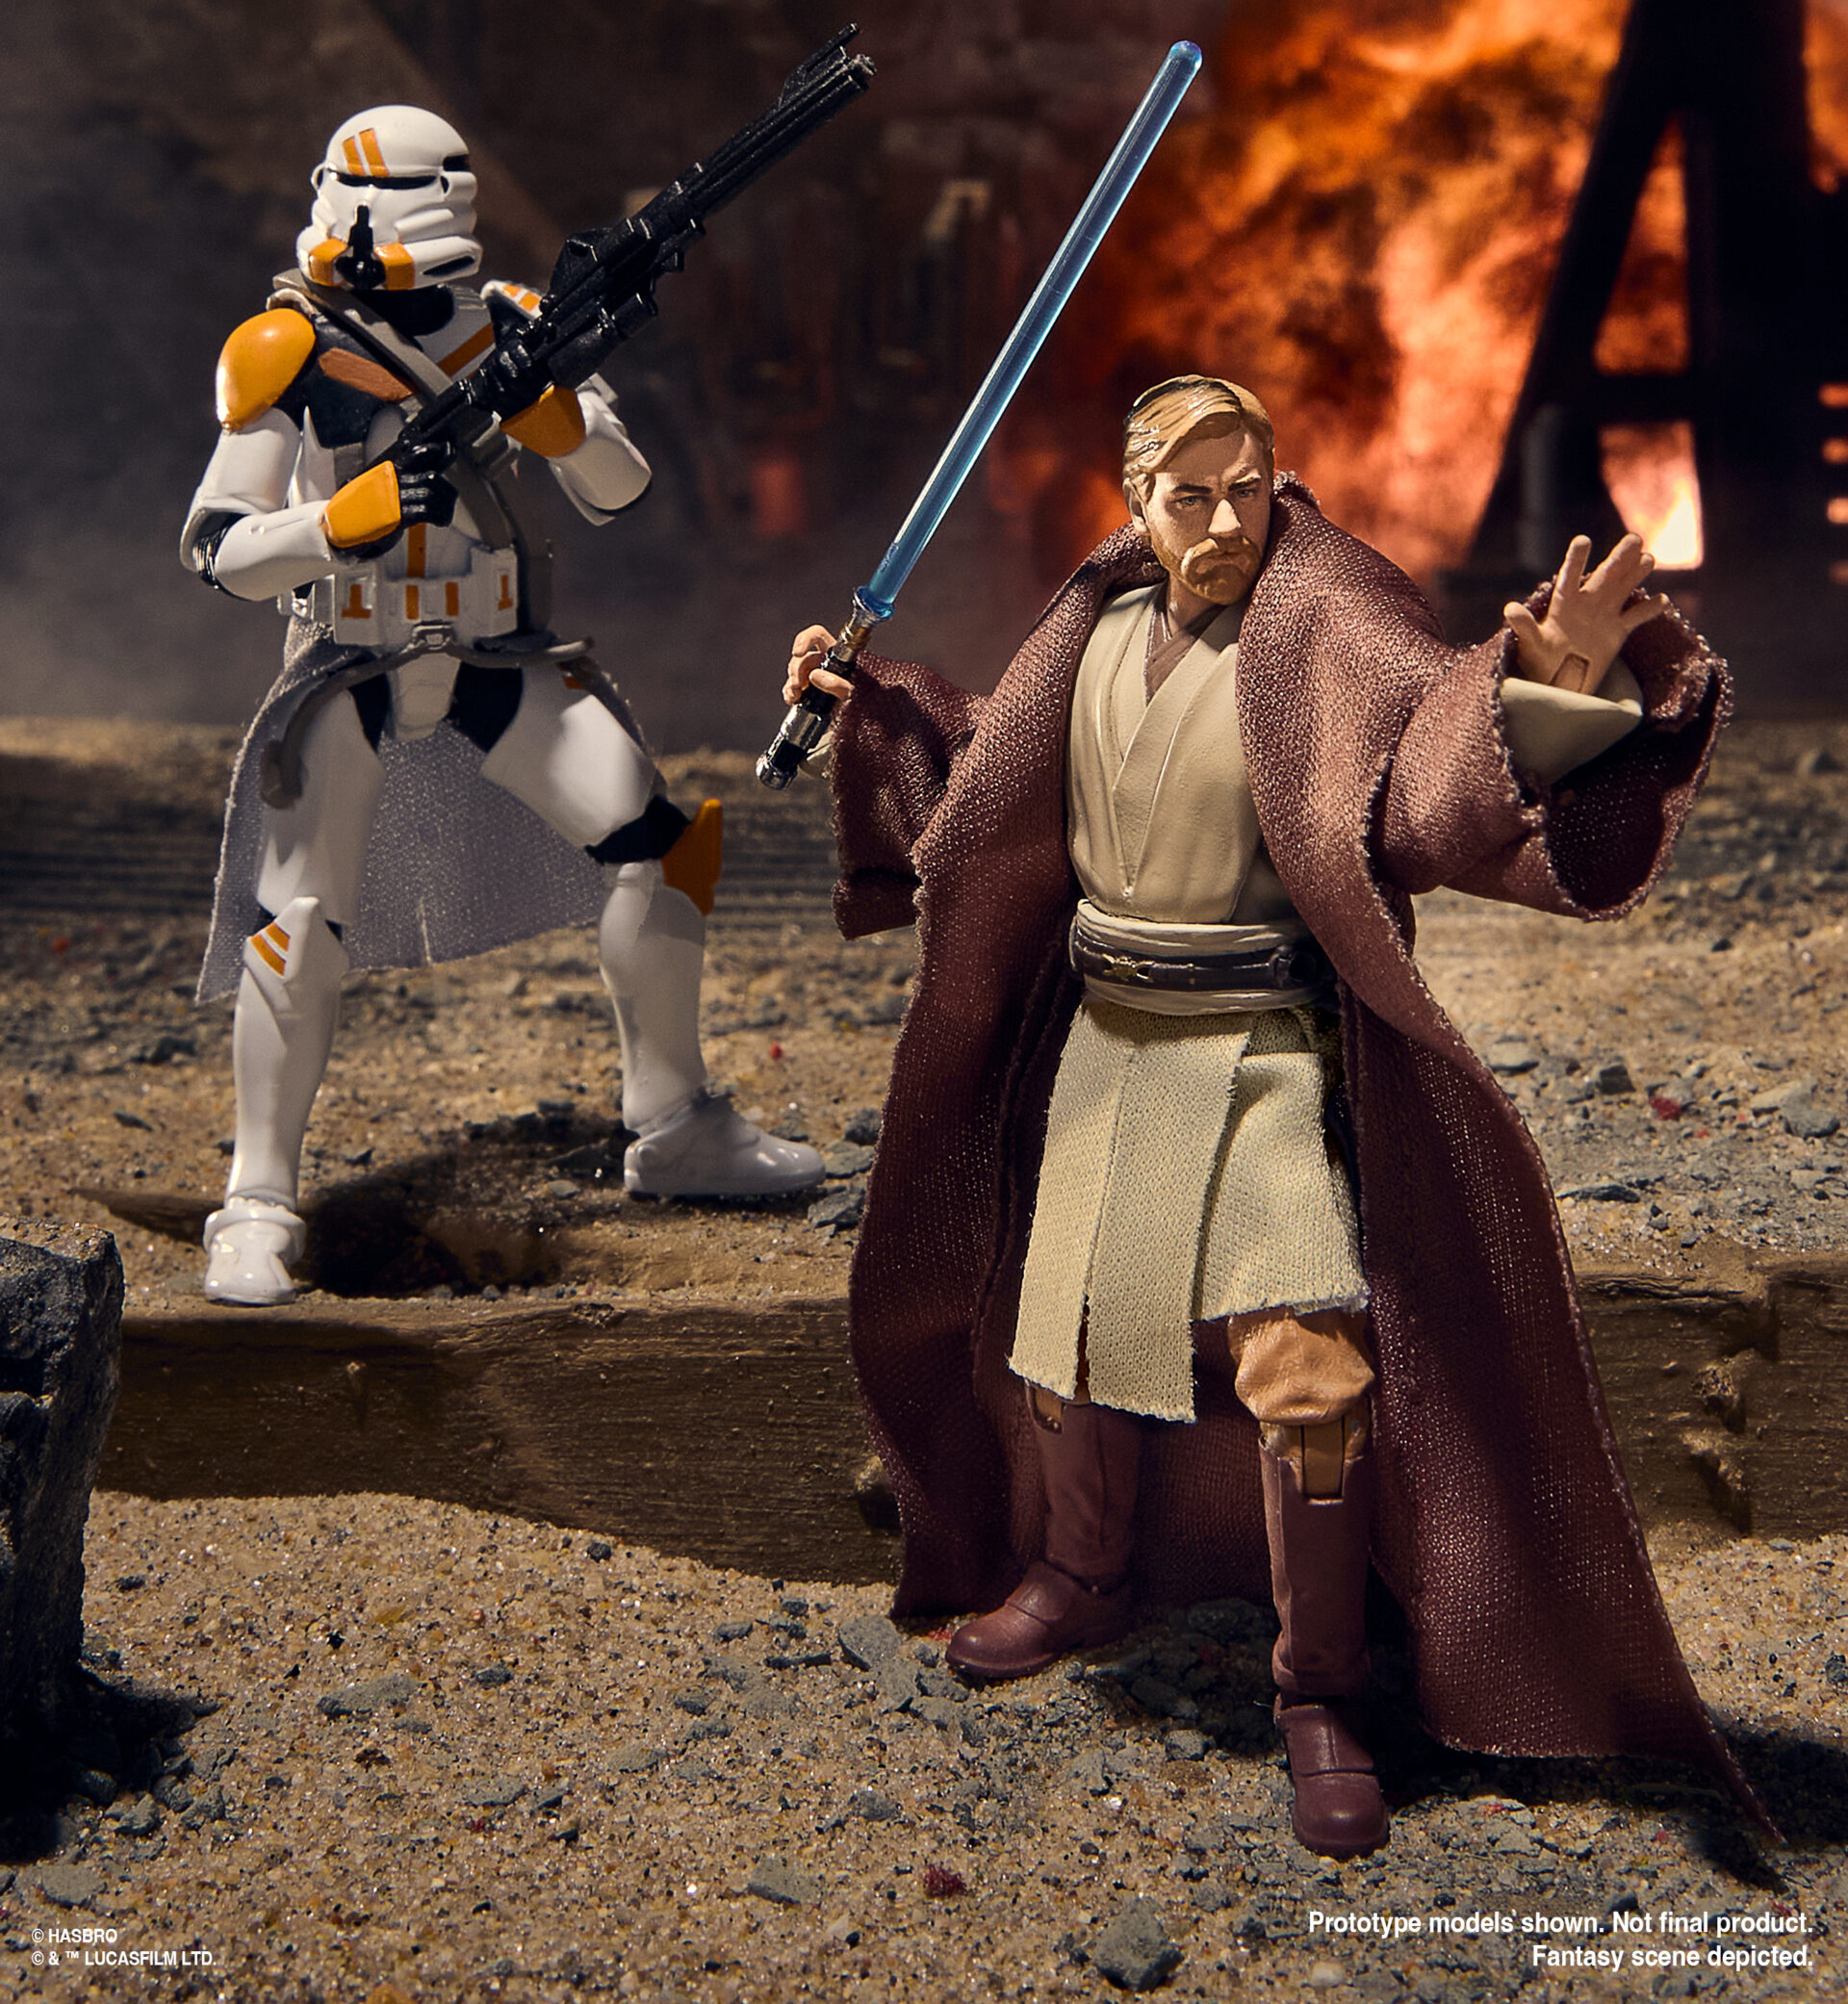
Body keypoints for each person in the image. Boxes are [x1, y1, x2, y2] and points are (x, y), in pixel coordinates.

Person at [783, 373, 1759, 1860]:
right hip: (1112, 1037)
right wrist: (867, 711)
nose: (1228, 520)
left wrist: (1536, 688)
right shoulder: (1090, 632)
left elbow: (1422, 775)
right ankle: (1082, 1576)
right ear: (1137, 502)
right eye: (1193, 496)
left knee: (1308, 1374)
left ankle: (1321, 1690)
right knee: (1072, 1342)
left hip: (1259, 1049)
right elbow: (988, 780)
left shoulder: (1325, 627)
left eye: (1248, 488)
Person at [184, 104, 821, 1306]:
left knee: (658, 845)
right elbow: (219, 545)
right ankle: (258, 1198)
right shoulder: (286, 347)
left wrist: (556, 418)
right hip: (351, 656)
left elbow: (619, 489)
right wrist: (340, 521)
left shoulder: (518, 325)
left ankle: (673, 1121)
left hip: (496, 652)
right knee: (296, 922)